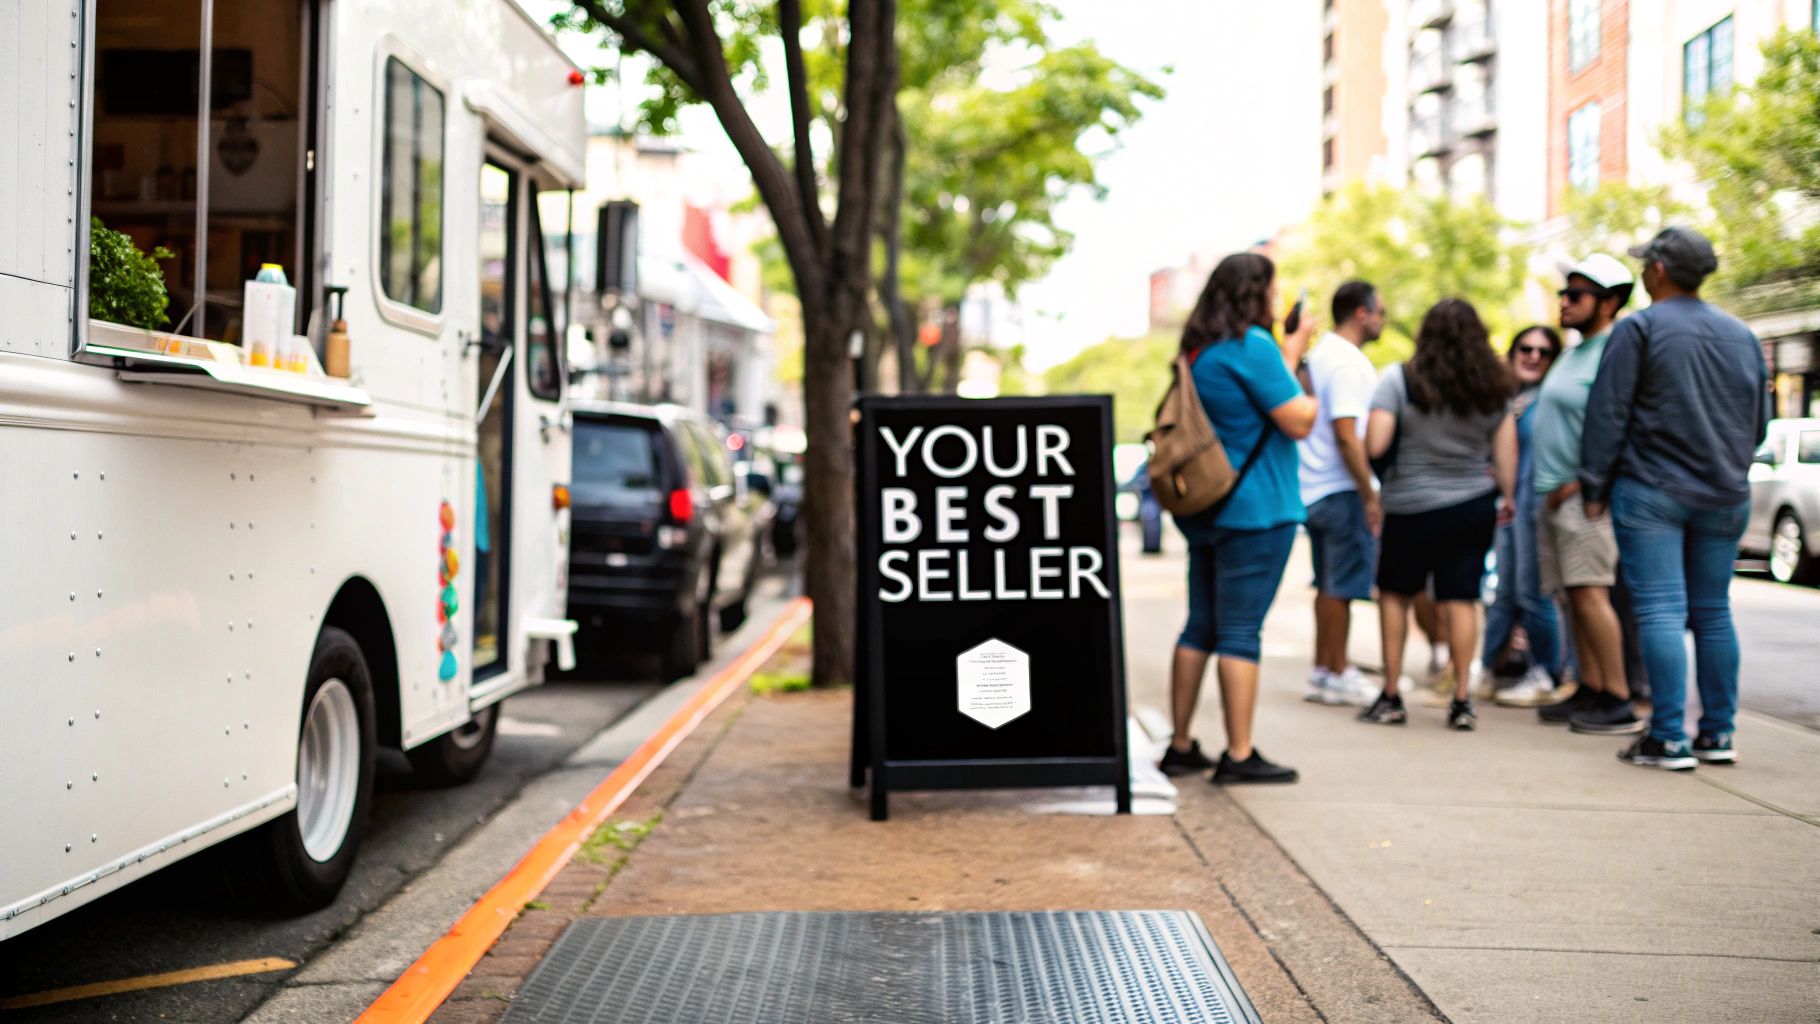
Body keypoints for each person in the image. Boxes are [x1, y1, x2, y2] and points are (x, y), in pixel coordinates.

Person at [1580, 227, 1770, 770]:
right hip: (1725, 492)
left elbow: (1608, 415)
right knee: (1712, 612)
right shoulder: (1742, 335)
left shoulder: (1639, 328)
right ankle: (1717, 733)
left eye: (1645, 265)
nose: (1642, 273)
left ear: (1659, 269)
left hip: (1653, 490)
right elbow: (1759, 424)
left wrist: (1595, 486)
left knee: (1661, 610)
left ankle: (1667, 736)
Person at [1159, 252, 1318, 784]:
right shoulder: (1252, 346)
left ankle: (1180, 744)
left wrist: (1286, 352)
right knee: (1241, 632)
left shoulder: (1199, 351)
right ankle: (1240, 753)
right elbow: (1296, 419)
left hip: (1207, 508)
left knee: (1200, 625)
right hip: (1258, 510)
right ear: (1256, 293)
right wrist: (1298, 360)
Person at [1359, 299, 1517, 731]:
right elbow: (1505, 452)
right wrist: (1507, 495)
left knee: (1395, 596)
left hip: (1410, 507)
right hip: (1471, 506)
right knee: (1461, 598)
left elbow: (1374, 444)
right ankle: (1462, 698)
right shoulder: (1495, 386)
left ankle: (1391, 695)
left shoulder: (1399, 379)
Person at [1528, 254, 1645, 735]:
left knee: (1592, 594)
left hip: (1583, 497)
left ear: (1609, 302)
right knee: (1573, 597)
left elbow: (1622, 429)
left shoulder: (1615, 351)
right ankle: (1590, 688)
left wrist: (1580, 482)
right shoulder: (1574, 351)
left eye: (1576, 295)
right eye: (1564, 293)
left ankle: (1618, 697)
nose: (1564, 302)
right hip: (1552, 496)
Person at [1297, 280, 1384, 706]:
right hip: (1339, 488)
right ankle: (1333, 671)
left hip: (1316, 487)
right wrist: (1369, 493)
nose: (1384, 320)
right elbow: (1347, 435)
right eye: (1380, 311)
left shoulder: (1322, 355)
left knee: (1329, 586)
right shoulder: (1347, 364)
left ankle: (1324, 669)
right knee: (1340, 587)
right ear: (1362, 313)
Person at [1485, 325, 1566, 706]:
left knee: (1535, 594)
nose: (1533, 356)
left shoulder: (1549, 399)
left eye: (1543, 351)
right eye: (1525, 348)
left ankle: (1546, 674)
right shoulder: (1505, 398)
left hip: (1536, 508)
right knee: (1506, 594)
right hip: (1507, 508)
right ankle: (1484, 670)